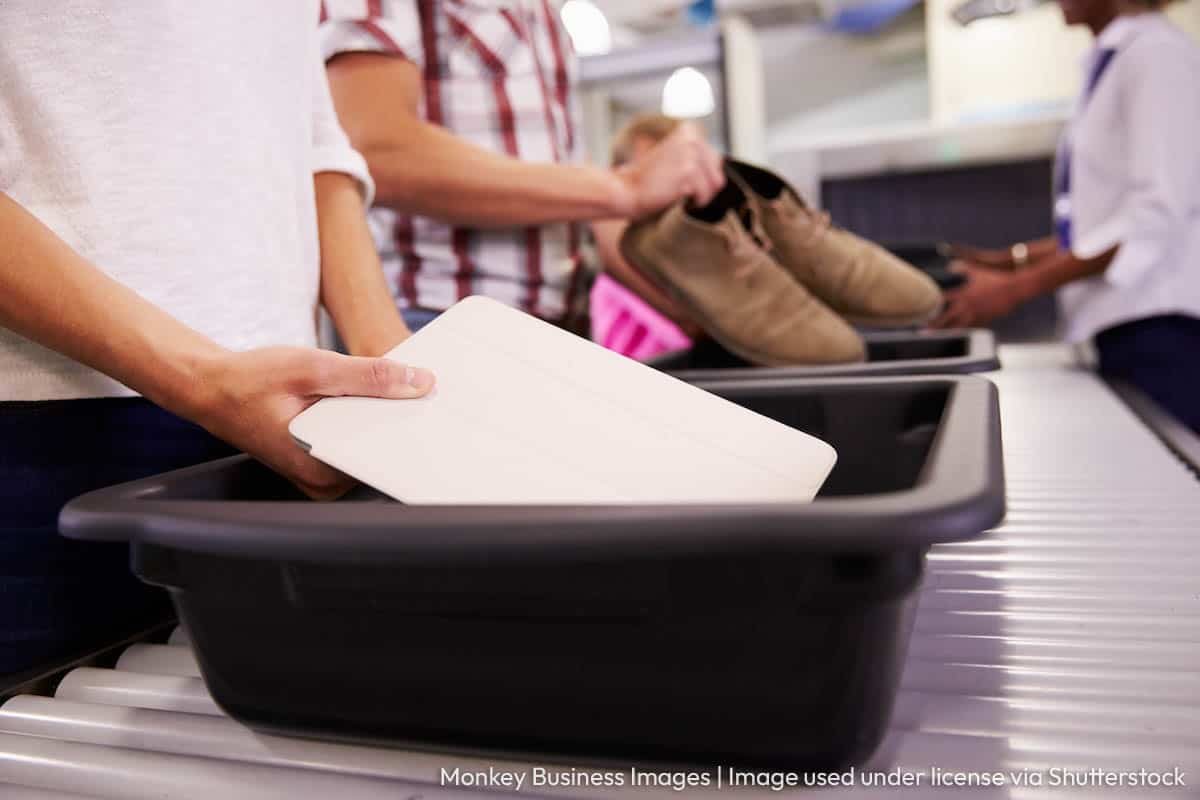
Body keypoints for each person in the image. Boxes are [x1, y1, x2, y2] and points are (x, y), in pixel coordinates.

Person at [0, 3, 435, 677]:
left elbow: (310, 133)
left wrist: (390, 354)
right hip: (48, 425)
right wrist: (199, 377)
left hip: (283, 421)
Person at [318, 0, 725, 333]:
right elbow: (374, 148)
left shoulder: (543, 12)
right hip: (444, 327)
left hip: (559, 330)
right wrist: (626, 188)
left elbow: (575, 191)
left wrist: (709, 317)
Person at [932, 0, 1200, 432]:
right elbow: (1102, 224)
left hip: (1162, 330)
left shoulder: (1157, 56)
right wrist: (1004, 261)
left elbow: (1154, 215)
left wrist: (1014, 289)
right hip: (1129, 328)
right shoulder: (1116, 57)